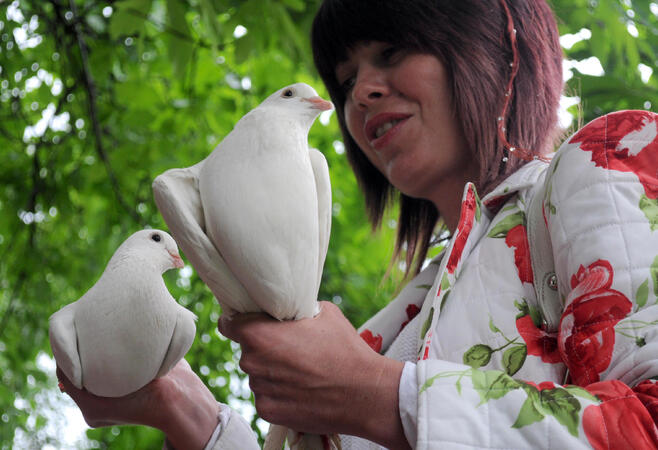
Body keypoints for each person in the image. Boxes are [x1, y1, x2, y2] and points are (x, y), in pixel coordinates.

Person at [59, 0, 658, 448]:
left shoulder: (607, 161)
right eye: (346, 82)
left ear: (497, 45)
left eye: (392, 52)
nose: (361, 95)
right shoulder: (384, 329)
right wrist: (178, 403)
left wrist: (378, 396)